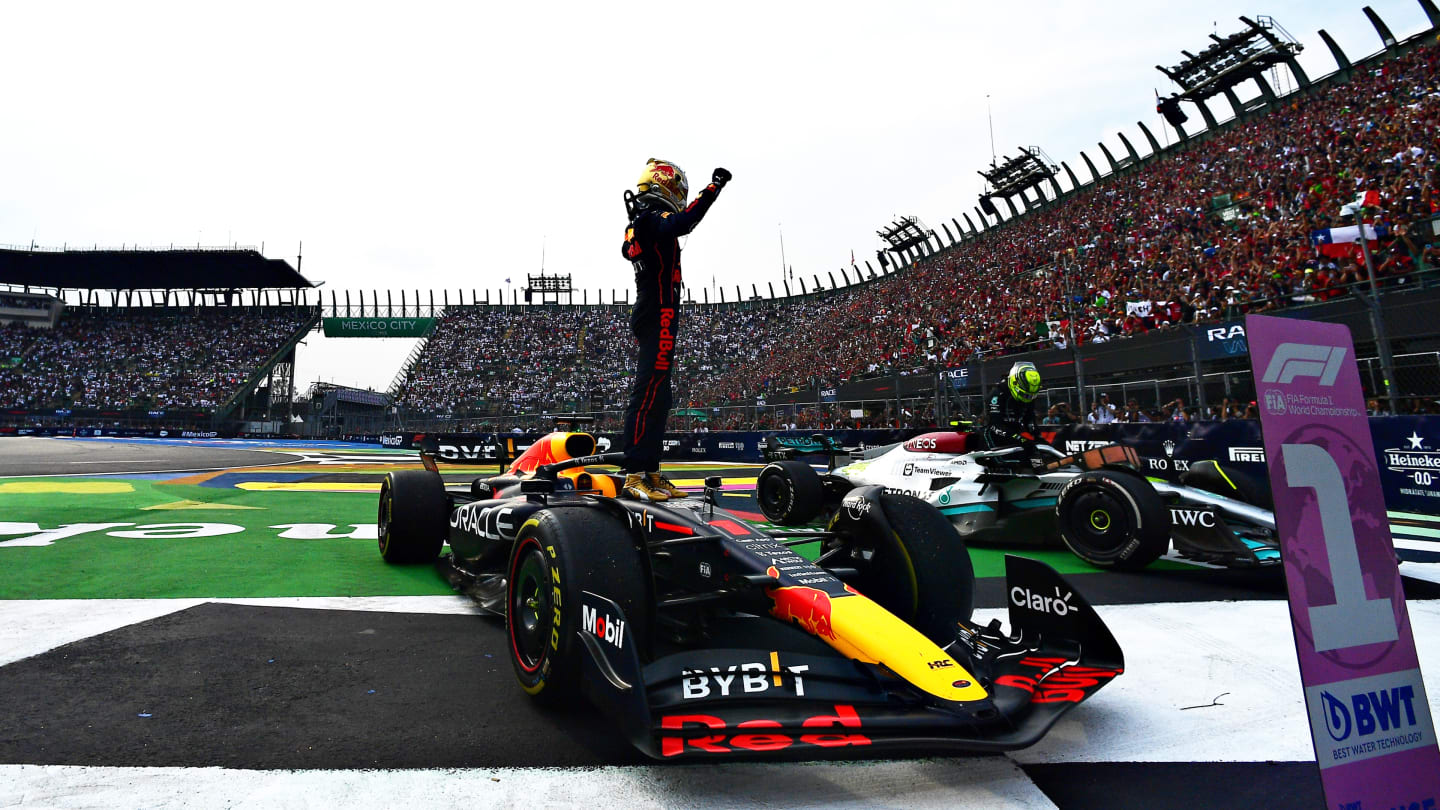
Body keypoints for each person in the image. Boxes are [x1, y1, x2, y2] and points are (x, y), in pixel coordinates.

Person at [618, 158, 731, 501]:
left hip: (658, 310)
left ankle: (650, 471)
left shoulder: (640, 221)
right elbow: (683, 222)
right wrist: (713, 188)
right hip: (657, 311)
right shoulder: (650, 219)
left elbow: (628, 248)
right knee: (648, 392)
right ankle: (634, 473)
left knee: (660, 395)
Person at [980, 361, 1042, 454]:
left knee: (1036, 457)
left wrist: (1038, 437)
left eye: (1030, 396)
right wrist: (1020, 439)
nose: (1028, 398)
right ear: (1015, 384)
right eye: (1026, 395)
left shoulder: (1029, 393)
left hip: (1015, 437)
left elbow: (1029, 419)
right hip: (993, 439)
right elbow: (995, 425)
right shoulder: (997, 394)